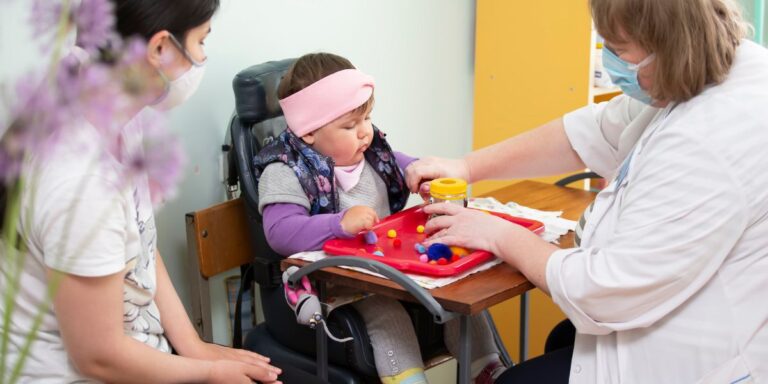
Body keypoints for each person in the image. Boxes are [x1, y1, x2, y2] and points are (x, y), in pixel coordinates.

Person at [405, 0, 768, 383]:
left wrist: (498, 234)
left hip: (690, 357)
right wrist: (466, 167)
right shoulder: (716, 66)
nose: (614, 66)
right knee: (561, 337)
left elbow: (605, 291)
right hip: (683, 311)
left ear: (669, 44)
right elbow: (593, 132)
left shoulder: (707, 142)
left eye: (620, 50)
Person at [0, 1, 283, 383]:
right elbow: (98, 356)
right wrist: (209, 373)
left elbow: (141, 248)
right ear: (160, 48)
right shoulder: (79, 181)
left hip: (138, 353)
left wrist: (196, 347)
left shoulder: (116, 116)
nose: (202, 57)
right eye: (201, 42)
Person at [253, 52, 506, 384]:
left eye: (367, 118)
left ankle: (485, 368)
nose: (364, 133)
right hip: (337, 283)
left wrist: (422, 176)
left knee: (455, 291)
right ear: (309, 132)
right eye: (350, 125)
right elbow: (280, 232)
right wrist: (337, 224)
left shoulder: (371, 154)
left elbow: (404, 166)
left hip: (387, 269)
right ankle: (408, 379)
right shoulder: (285, 170)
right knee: (386, 315)